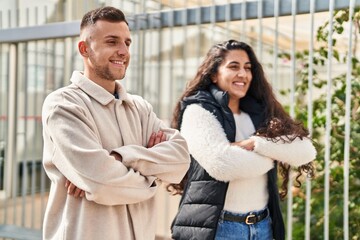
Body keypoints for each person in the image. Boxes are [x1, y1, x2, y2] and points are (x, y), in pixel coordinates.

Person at [41, 6, 190, 240]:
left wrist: (122, 158)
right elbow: (102, 184)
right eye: (112, 42)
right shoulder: (64, 105)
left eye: (127, 43)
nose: (123, 51)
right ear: (85, 49)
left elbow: (181, 160)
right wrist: (152, 176)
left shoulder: (140, 107)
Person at [168, 40, 316, 240]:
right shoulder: (198, 111)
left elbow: (306, 151)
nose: (243, 74)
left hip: (263, 226)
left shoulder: (260, 111)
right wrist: (276, 153)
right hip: (220, 229)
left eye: (247, 68)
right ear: (213, 74)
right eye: (233, 67)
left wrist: (256, 144)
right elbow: (222, 164)